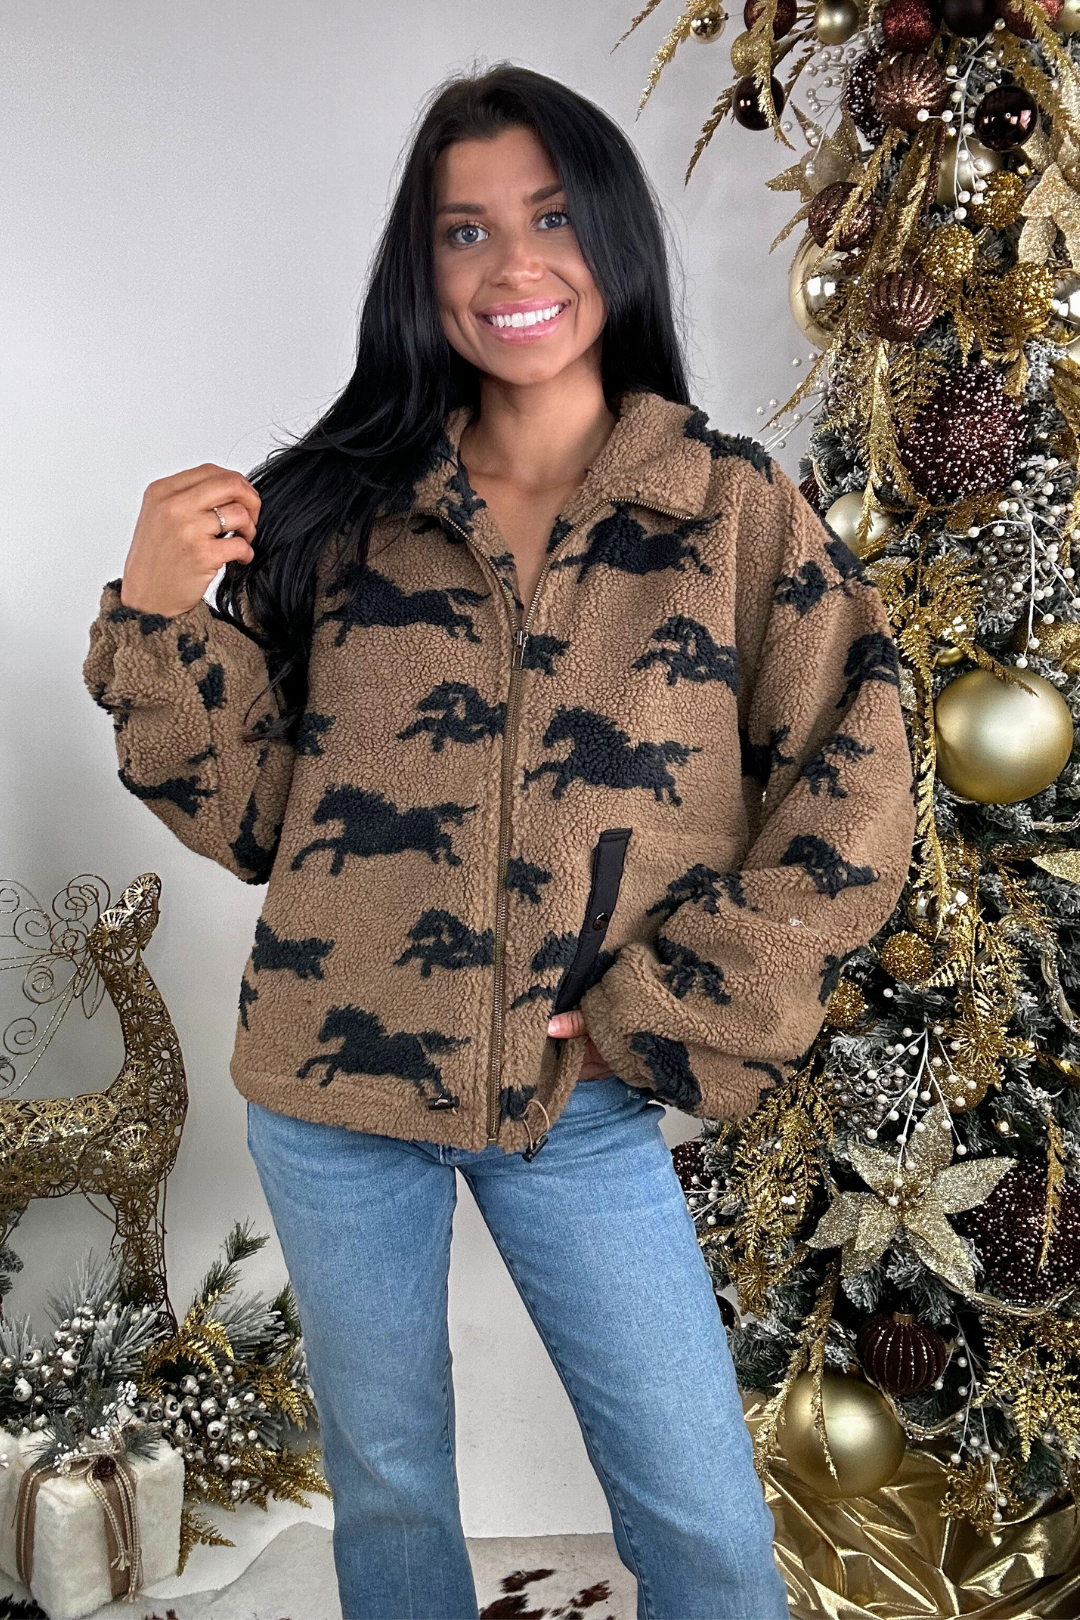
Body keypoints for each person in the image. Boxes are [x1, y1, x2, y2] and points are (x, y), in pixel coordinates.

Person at [84, 62, 917, 1620]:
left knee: (706, 1522)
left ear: (612, 234)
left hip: (578, 1104)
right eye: (464, 230)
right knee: (392, 1490)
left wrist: (672, 1003)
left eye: (549, 216)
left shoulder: (730, 513)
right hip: (331, 1099)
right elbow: (259, 821)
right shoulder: (343, 512)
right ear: (423, 269)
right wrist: (152, 613)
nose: (511, 263)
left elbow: (856, 780)